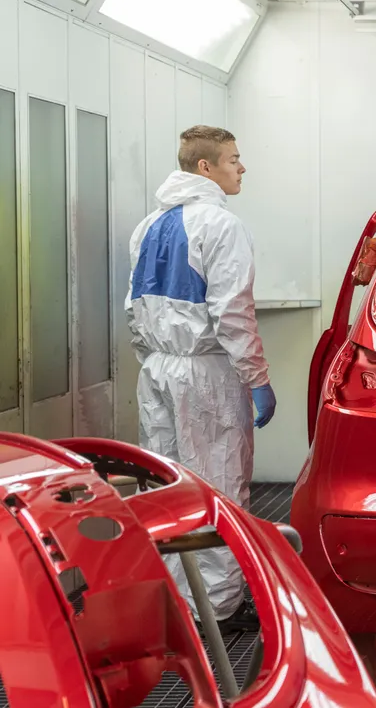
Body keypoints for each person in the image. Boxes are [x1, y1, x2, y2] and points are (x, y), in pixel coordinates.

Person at [125, 125, 276, 633]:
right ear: (206, 167)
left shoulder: (149, 226)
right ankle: (222, 609)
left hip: (157, 371)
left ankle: (178, 604)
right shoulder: (221, 226)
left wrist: (154, 361)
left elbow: (134, 308)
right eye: (234, 158)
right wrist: (255, 377)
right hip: (206, 374)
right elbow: (233, 314)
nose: (243, 167)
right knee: (219, 486)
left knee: (167, 485)